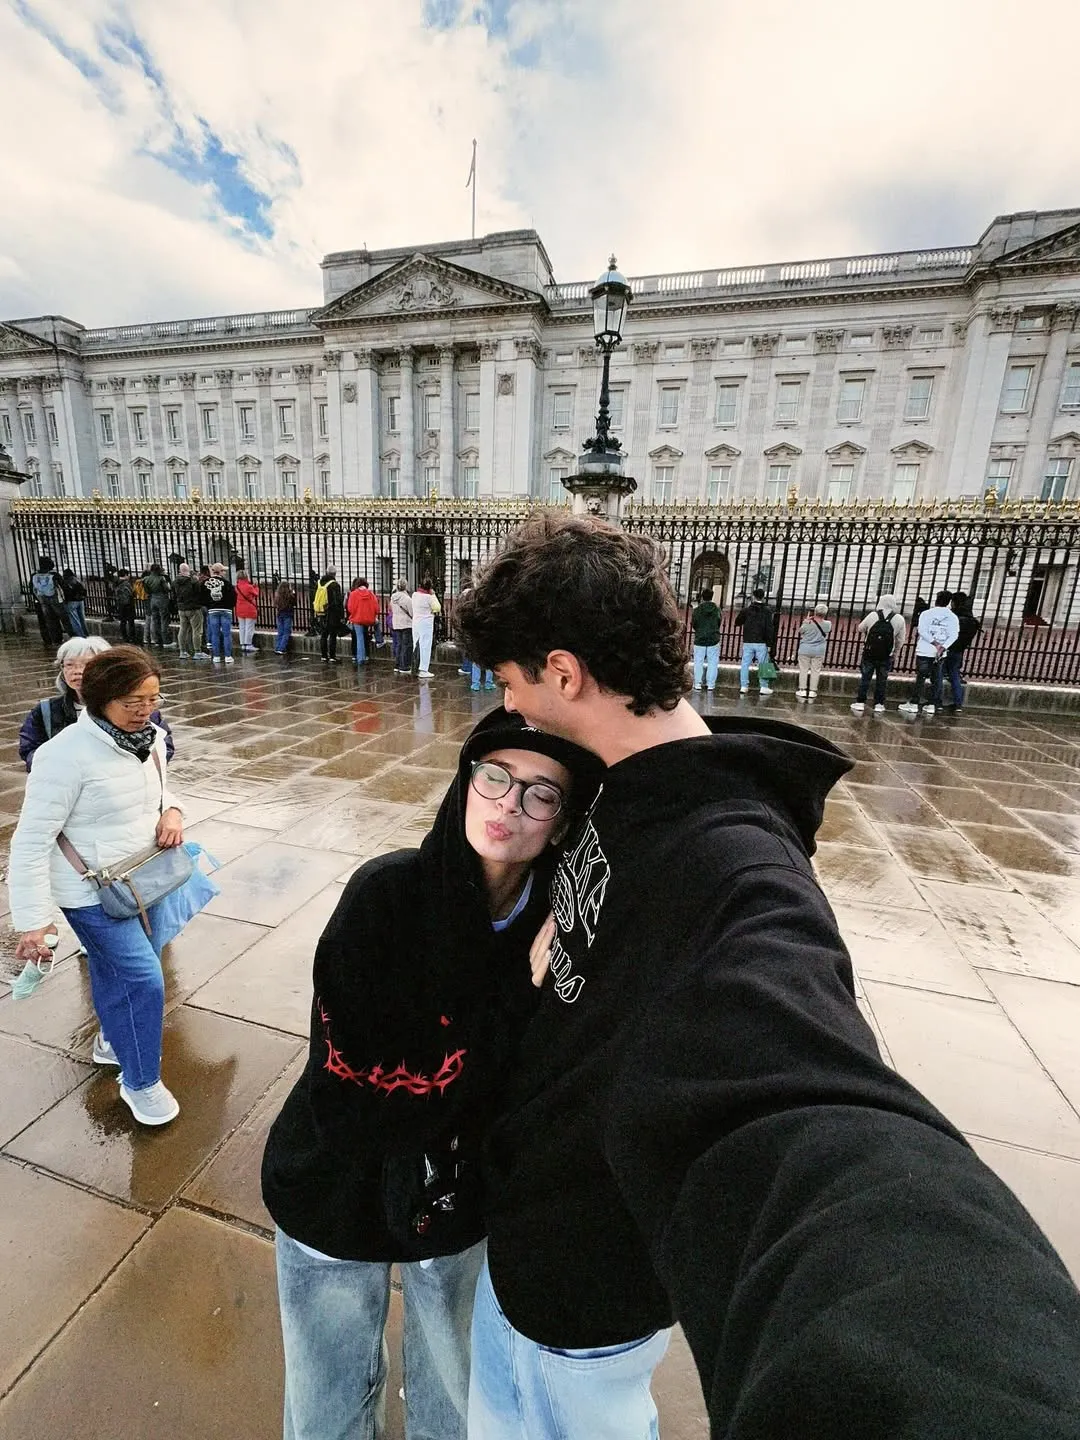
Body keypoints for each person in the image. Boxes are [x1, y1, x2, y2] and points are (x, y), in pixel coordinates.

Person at [455, 511, 1080, 1440]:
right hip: (529, 1239)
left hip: (581, 1293)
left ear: (562, 672)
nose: (508, 710)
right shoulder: (623, 784)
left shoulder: (741, 866)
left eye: (510, 683)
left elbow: (808, 1109)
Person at [260, 709, 603, 1440]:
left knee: (453, 1393)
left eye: (541, 794)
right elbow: (359, 1100)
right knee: (325, 1399)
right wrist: (516, 1005)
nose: (510, 805)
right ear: (466, 781)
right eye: (495, 777)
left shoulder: (557, 921)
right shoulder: (384, 898)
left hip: (455, 1206)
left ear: (563, 820)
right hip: (333, 1189)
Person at [9, 647, 185, 1128]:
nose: (146, 710)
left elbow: (162, 790)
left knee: (114, 974)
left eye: (152, 698)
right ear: (100, 697)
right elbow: (29, 842)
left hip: (140, 879)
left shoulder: (149, 738)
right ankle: (141, 1081)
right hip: (89, 892)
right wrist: (32, 921)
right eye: (133, 701)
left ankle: (112, 1037)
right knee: (144, 980)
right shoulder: (62, 756)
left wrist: (173, 810)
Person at [19, 636, 175, 771]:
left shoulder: (139, 706)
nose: (77, 671)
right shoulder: (46, 710)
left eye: (86, 664)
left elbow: (164, 746)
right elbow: (30, 750)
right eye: (69, 664)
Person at [900, 589, 959, 717]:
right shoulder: (952, 617)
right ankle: (931, 704)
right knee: (936, 678)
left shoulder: (926, 614)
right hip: (940, 653)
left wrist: (934, 643)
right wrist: (943, 646)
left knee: (921, 677)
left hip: (925, 649)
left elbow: (922, 630)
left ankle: (915, 703)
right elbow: (954, 635)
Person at [850, 595, 907, 715]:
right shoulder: (899, 619)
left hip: (870, 652)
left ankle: (860, 701)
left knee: (865, 677)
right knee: (882, 679)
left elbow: (860, 628)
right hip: (886, 654)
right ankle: (879, 704)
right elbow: (901, 640)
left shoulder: (873, 615)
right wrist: (895, 653)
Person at [937, 591, 982, 714]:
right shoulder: (971, 619)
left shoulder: (953, 617)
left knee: (939, 674)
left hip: (947, 648)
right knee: (955, 676)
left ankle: (938, 702)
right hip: (959, 650)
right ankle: (958, 704)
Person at [734, 586, 774, 695]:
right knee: (764, 664)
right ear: (763, 597)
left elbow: (737, 622)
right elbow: (770, 628)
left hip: (748, 640)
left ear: (753, 596)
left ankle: (744, 686)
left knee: (745, 664)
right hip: (762, 641)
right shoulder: (767, 611)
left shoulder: (747, 610)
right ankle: (764, 686)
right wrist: (770, 643)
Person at [795, 601, 831, 700]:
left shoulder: (807, 623)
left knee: (803, 669)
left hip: (805, 649)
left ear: (815, 612)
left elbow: (800, 631)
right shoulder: (828, 624)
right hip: (819, 650)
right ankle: (812, 691)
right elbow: (827, 630)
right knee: (816, 670)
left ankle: (802, 690)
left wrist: (805, 621)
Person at [202, 563, 237, 665]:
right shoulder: (227, 583)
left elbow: (201, 597)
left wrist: (210, 604)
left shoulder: (205, 583)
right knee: (226, 634)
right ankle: (228, 656)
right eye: (223, 571)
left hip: (213, 610)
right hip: (226, 610)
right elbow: (233, 597)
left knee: (215, 634)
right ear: (220, 571)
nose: (225, 572)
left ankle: (216, 656)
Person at [30, 555, 68, 646]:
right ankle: (71, 636)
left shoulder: (34, 575)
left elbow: (32, 588)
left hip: (41, 600)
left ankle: (51, 639)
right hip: (55, 598)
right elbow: (64, 586)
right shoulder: (54, 574)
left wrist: (38, 598)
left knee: (48, 620)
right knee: (64, 618)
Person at [690, 586, 721, 693]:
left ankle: (698, 683)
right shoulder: (717, 609)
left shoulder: (697, 610)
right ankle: (711, 684)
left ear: (702, 597)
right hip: (713, 638)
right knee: (713, 662)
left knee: (698, 661)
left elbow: (694, 623)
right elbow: (719, 622)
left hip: (700, 638)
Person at [345, 577, 380, 665]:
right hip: (368, 618)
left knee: (359, 638)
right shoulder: (371, 594)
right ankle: (379, 641)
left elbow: (350, 608)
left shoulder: (353, 594)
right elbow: (376, 608)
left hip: (357, 619)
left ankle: (360, 658)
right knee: (366, 634)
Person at [174, 563, 206, 659]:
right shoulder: (193, 581)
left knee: (183, 629)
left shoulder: (175, 582)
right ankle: (197, 651)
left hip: (181, 608)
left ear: (180, 571)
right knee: (197, 630)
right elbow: (198, 593)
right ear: (188, 570)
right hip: (193, 608)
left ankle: (182, 651)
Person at [411, 577, 440, 679]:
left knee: (416, 644)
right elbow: (437, 607)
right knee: (425, 645)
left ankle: (415, 665)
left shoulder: (415, 595)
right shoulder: (429, 597)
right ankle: (423, 669)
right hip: (426, 623)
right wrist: (433, 595)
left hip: (416, 622)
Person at [316, 566, 344, 665]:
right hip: (332, 613)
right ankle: (332, 656)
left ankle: (324, 656)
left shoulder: (320, 583)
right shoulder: (334, 585)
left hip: (322, 612)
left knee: (324, 634)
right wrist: (342, 616)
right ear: (334, 574)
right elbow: (338, 602)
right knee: (332, 635)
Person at [142, 563, 173, 649]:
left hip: (153, 599)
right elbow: (167, 589)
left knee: (155, 620)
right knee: (164, 619)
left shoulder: (146, 579)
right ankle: (165, 640)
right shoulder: (161, 578)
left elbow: (147, 591)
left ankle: (157, 640)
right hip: (162, 599)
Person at [390, 578, 413, 673]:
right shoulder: (407, 599)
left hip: (396, 623)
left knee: (398, 644)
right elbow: (412, 612)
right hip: (406, 623)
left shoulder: (393, 598)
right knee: (406, 645)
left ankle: (397, 664)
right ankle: (405, 666)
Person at [235, 568, 260, 655]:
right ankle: (248, 644)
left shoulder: (237, 587)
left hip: (239, 608)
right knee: (249, 627)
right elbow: (256, 593)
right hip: (249, 609)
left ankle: (243, 644)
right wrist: (256, 586)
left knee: (242, 627)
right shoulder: (249, 587)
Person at [111, 568, 138, 644]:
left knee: (123, 622)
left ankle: (125, 637)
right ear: (126, 575)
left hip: (120, 604)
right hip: (129, 605)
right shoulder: (126, 583)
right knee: (130, 622)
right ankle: (132, 638)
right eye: (128, 574)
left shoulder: (116, 583)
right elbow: (132, 594)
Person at [60, 568, 88, 637]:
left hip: (71, 601)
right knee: (82, 619)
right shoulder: (77, 580)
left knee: (74, 620)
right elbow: (84, 590)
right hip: (80, 601)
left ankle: (80, 635)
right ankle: (86, 634)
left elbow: (66, 592)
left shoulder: (66, 582)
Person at [274, 578, 297, 654]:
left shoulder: (278, 596)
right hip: (287, 615)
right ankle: (282, 648)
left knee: (280, 632)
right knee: (286, 632)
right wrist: (293, 593)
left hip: (280, 614)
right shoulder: (289, 596)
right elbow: (294, 603)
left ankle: (277, 647)